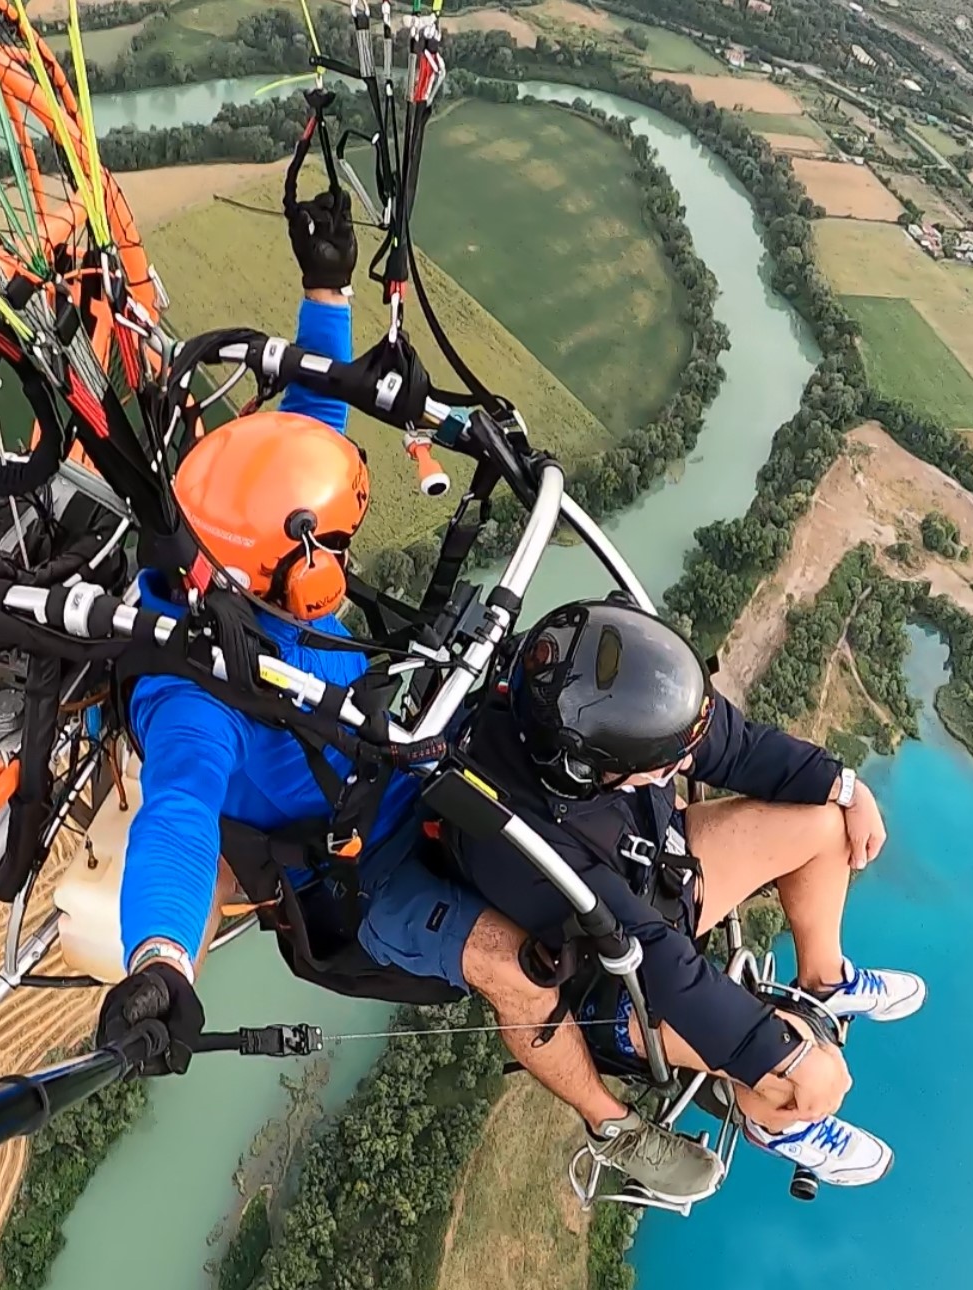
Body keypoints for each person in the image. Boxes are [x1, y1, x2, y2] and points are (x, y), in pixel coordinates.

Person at [92, 191, 726, 1205]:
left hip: (416, 761)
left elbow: (307, 421)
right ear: (289, 567)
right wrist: (162, 962)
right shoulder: (192, 693)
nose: (344, 553)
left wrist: (327, 290)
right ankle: (612, 1132)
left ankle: (670, 975)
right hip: (361, 870)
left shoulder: (238, 538)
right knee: (518, 965)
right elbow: (174, 815)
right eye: (335, 542)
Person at [444, 597, 927, 1189]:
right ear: (585, 769)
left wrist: (844, 785)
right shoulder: (512, 840)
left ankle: (823, 984)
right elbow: (649, 955)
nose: (673, 770)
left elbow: (736, 745)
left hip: (658, 882)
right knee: (813, 1074)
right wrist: (777, 1055)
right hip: (619, 989)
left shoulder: (625, 714)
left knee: (827, 824)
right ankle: (779, 1122)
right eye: (658, 767)